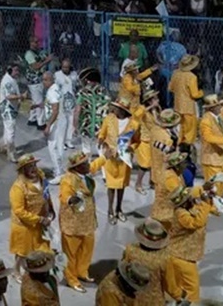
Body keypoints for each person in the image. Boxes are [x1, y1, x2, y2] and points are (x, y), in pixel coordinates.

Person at [58, 152, 103, 292]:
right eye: (84, 164)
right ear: (77, 168)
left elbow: (95, 165)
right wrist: (70, 200)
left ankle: (82, 272)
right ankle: (72, 279)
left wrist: (105, 157)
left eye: (87, 162)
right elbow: (64, 194)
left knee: (87, 250)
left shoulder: (86, 175)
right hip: (73, 224)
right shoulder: (68, 179)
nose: (88, 165)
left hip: (88, 222)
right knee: (71, 254)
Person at [168, 186, 216, 303]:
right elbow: (196, 223)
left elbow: (211, 210)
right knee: (192, 290)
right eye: (189, 197)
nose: (192, 198)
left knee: (182, 289)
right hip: (181, 257)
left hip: (182, 255)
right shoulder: (181, 214)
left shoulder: (189, 207)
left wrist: (209, 199)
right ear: (185, 201)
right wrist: (205, 202)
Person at [9, 155, 53, 277]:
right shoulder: (18, 187)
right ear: (23, 170)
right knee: (22, 252)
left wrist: (50, 209)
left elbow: (46, 195)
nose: (33, 168)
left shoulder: (41, 177)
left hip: (40, 222)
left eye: (34, 165)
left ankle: (36, 270)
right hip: (24, 225)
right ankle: (16, 272)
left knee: (41, 249)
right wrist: (39, 219)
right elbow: (19, 211)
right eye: (29, 167)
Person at [98, 100, 139, 222]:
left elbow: (137, 140)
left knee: (121, 186)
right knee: (111, 185)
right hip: (111, 157)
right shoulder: (109, 119)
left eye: (116, 108)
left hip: (124, 159)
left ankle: (119, 209)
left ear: (123, 110)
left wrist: (131, 148)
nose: (113, 109)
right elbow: (102, 134)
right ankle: (110, 210)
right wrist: (101, 141)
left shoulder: (134, 124)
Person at [121, 218, 177, 304]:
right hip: (154, 300)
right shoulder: (164, 259)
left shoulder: (130, 250)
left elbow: (124, 271)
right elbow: (170, 286)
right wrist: (179, 295)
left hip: (133, 298)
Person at [198, 95, 223, 197]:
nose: (221, 107)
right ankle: (211, 206)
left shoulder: (218, 117)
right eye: (218, 106)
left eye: (221, 105)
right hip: (211, 158)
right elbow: (208, 137)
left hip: (221, 157)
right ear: (212, 108)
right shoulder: (206, 120)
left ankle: (216, 202)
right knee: (214, 186)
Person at [169, 54, 204, 146]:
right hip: (188, 107)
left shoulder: (175, 73)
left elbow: (170, 88)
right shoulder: (192, 76)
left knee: (180, 128)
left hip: (177, 105)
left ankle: (179, 146)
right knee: (190, 131)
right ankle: (187, 148)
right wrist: (201, 93)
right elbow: (194, 94)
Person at [132, 89, 162, 193]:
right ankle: (138, 184)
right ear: (149, 101)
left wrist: (157, 109)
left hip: (154, 139)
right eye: (155, 99)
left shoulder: (157, 109)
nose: (157, 100)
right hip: (144, 140)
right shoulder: (143, 109)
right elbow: (136, 115)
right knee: (145, 164)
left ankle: (152, 182)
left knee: (154, 162)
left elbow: (159, 121)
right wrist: (150, 107)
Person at [24, 37, 54, 127]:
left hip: (39, 79)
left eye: (38, 42)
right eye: (35, 42)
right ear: (31, 43)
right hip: (34, 80)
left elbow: (46, 57)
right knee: (39, 101)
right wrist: (47, 60)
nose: (37, 44)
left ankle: (32, 119)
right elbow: (35, 67)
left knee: (35, 100)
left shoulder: (39, 52)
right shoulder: (29, 54)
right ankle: (41, 123)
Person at [42, 72, 66, 180]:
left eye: (44, 80)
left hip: (56, 122)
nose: (43, 82)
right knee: (58, 146)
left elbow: (55, 110)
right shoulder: (56, 88)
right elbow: (50, 104)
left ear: (50, 80)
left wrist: (48, 125)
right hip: (61, 121)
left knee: (53, 148)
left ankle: (59, 173)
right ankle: (59, 169)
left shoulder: (52, 92)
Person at [0, 65, 24, 157]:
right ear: (9, 70)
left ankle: (5, 147)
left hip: (10, 109)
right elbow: (9, 96)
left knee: (7, 129)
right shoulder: (7, 81)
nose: (17, 72)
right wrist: (21, 97)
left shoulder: (11, 79)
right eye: (15, 70)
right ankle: (11, 153)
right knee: (10, 131)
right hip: (8, 109)